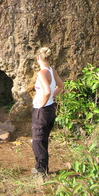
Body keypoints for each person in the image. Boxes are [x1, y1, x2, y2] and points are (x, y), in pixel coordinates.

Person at [31, 47, 64, 175]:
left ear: (38, 57)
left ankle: (41, 170)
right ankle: (43, 167)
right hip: (50, 109)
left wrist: (41, 105)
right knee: (43, 139)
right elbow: (60, 86)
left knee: (38, 140)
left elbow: (47, 91)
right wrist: (50, 98)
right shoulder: (52, 70)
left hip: (43, 111)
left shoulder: (42, 73)